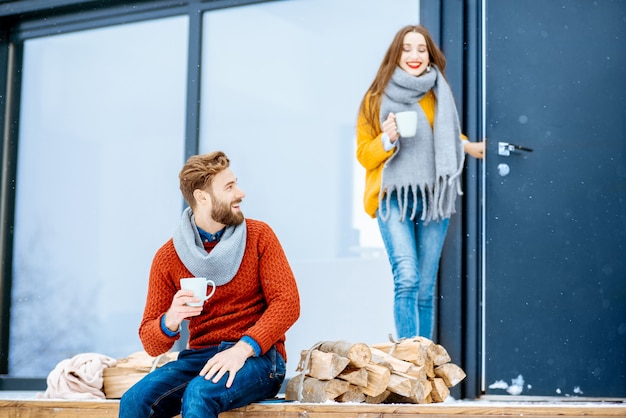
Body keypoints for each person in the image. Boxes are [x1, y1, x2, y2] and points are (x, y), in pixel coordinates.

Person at [119, 151, 300, 418]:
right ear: (202, 197)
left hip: (258, 358)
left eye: (235, 183)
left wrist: (241, 350)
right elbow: (151, 343)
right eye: (229, 187)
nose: (241, 193)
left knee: (200, 394)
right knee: (135, 400)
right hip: (199, 357)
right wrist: (170, 319)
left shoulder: (260, 236)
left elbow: (288, 303)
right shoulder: (168, 257)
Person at [355, 25, 484, 341]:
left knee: (425, 287)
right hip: (393, 196)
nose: (414, 55)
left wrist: (469, 146)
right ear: (396, 53)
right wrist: (386, 138)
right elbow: (363, 155)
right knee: (408, 278)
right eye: (407, 48)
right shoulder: (374, 98)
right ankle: (409, 362)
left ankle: (422, 364)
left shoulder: (437, 92)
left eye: (421, 49)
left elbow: (445, 136)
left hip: (431, 197)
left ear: (430, 55)